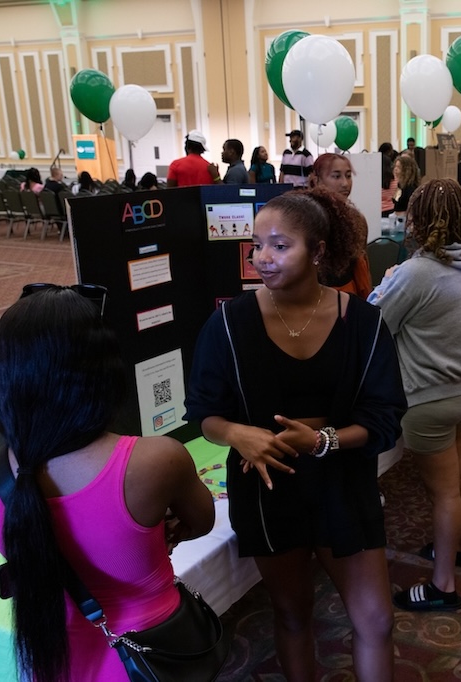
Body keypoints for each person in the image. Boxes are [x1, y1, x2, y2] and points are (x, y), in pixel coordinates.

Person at [185, 188, 407, 681]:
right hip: (267, 493)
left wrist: (323, 440)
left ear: (319, 250)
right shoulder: (227, 323)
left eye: (280, 246)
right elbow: (203, 412)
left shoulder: (363, 323)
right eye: (256, 245)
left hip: (344, 489)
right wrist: (238, 433)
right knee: (291, 615)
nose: (263, 258)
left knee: (376, 620)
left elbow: (385, 417)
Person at [0, 285, 216, 682]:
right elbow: (203, 521)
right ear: (103, 371)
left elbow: (34, 541)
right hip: (152, 658)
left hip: (50, 661)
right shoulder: (156, 460)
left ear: (4, 376)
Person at [368, 179, 461, 611]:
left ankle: (443, 587)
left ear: (416, 222)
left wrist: (386, 282)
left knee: (444, 492)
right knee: (459, 477)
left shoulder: (417, 272)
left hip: (431, 398)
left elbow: (373, 324)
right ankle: (459, 549)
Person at [308, 153, 373, 299]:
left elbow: (363, 267)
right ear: (317, 180)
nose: (345, 183)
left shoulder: (357, 219)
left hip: (349, 298)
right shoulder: (305, 218)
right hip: (313, 299)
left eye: (348, 176)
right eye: (336, 176)